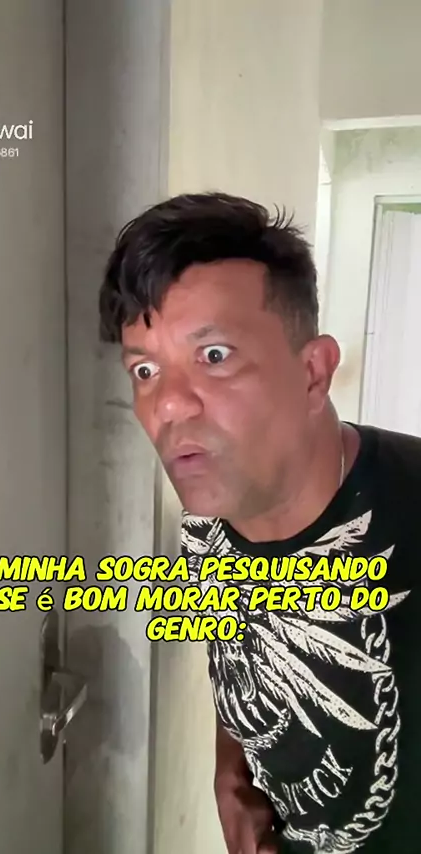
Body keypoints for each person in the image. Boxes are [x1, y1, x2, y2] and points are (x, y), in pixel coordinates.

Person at [98, 191, 421, 853]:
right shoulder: (206, 521)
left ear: (313, 372)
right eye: (145, 369)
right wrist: (232, 764)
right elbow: (239, 636)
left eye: (215, 356)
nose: (168, 406)